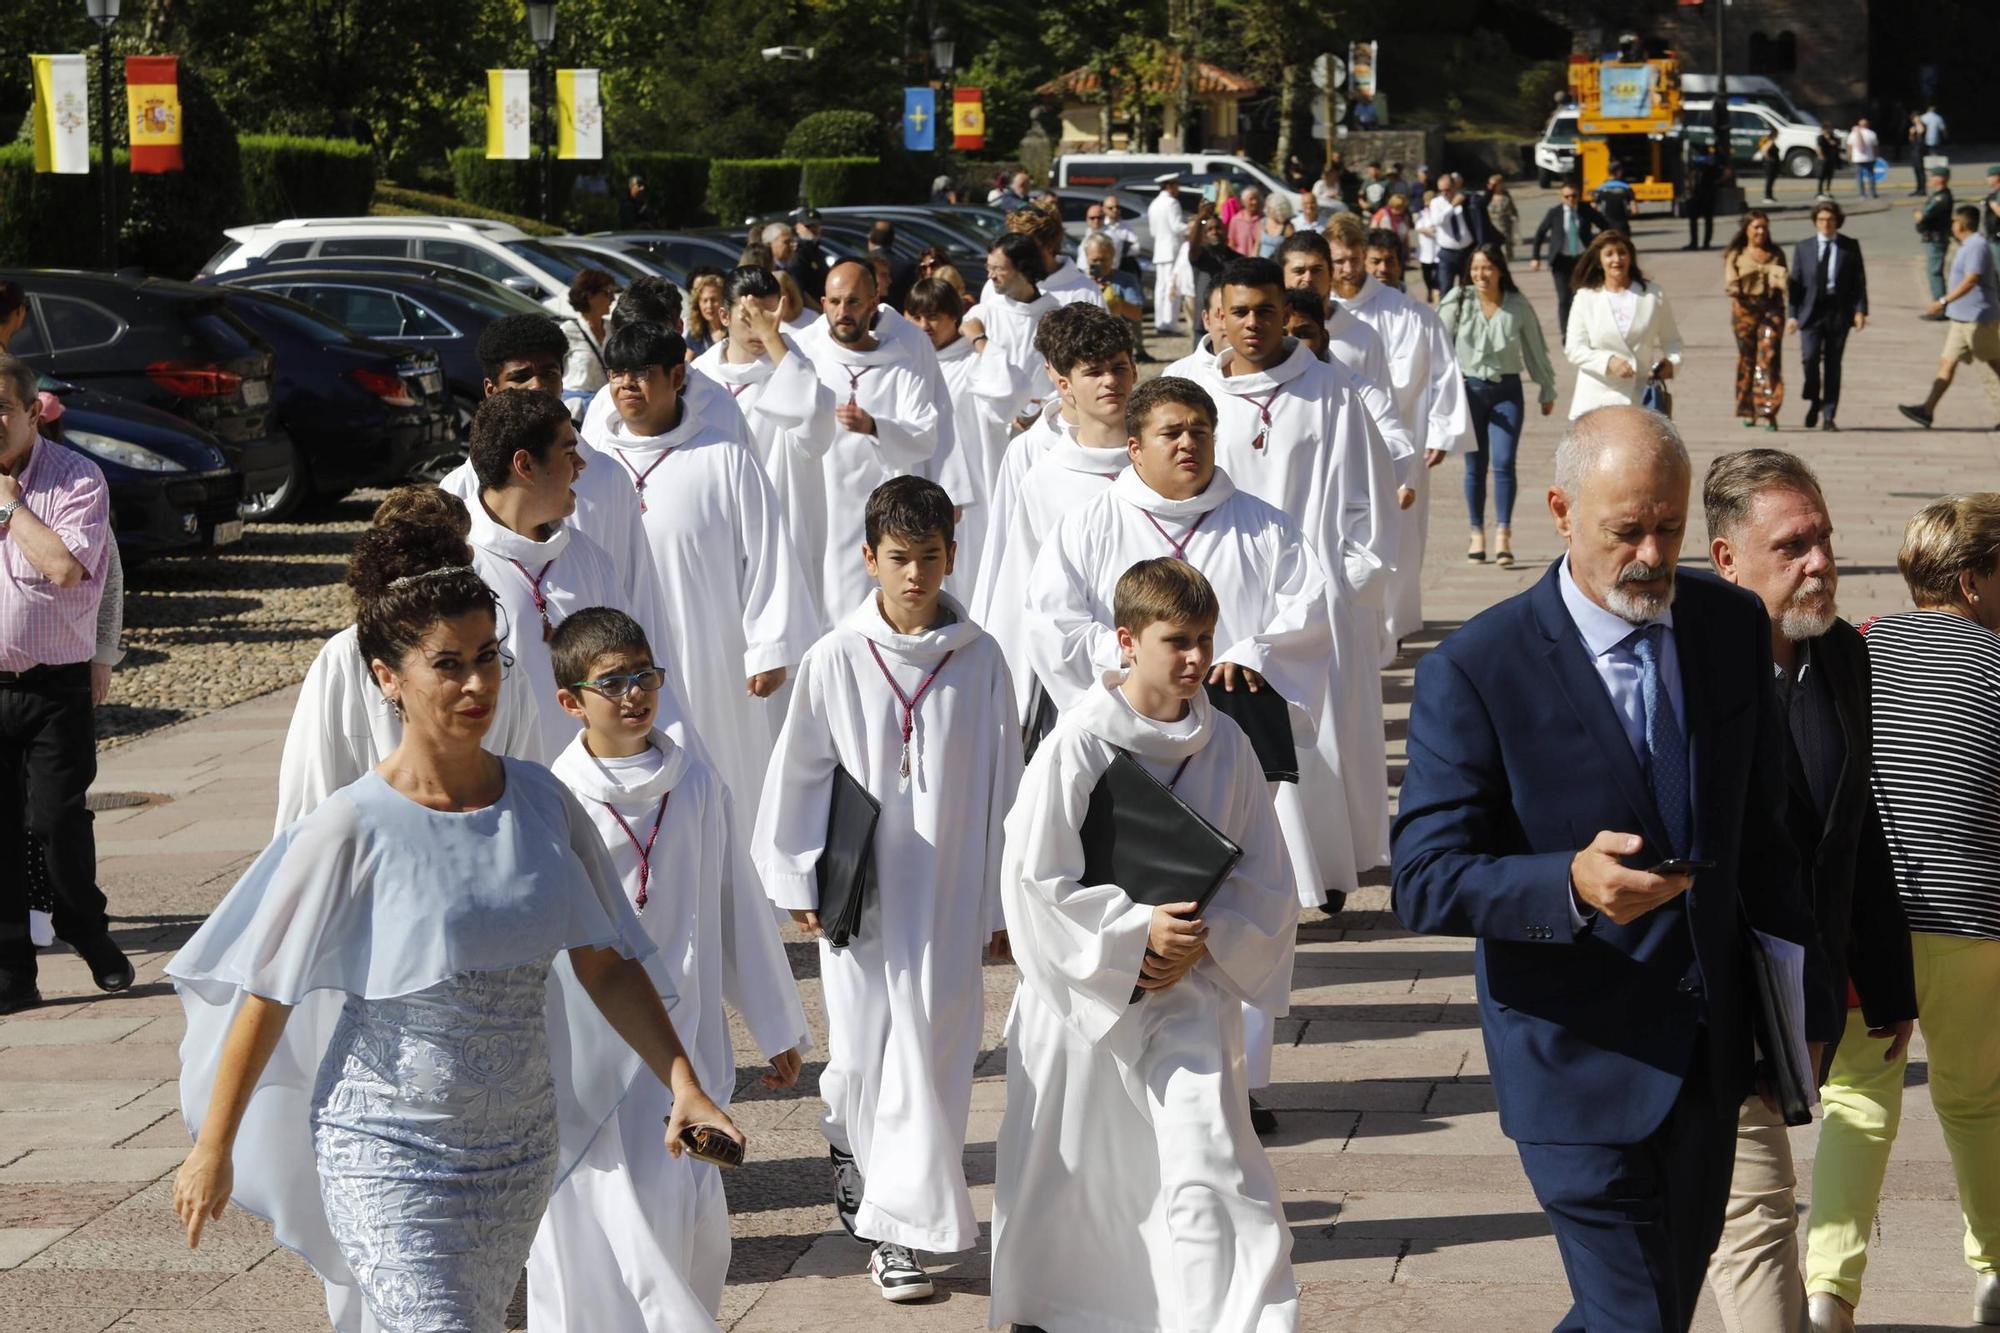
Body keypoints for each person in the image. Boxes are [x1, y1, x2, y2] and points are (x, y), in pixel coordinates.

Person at [167, 520, 742, 1333]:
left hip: (513, 1150)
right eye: (448, 664)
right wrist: (212, 1146)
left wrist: (682, 1080)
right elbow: (268, 991)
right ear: (387, 677)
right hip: (385, 1146)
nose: (476, 684)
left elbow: (606, 962)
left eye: (487, 659)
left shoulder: (546, 803)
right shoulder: (349, 828)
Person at [1391, 405, 1824, 1333]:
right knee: (1634, 1319)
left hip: (1709, 1058)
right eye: (1627, 528)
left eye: (1669, 526)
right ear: (1560, 509)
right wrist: (1568, 886)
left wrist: (1804, 1011)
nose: (1653, 552)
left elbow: (1767, 831)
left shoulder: (1730, 625)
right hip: (1574, 1062)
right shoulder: (1477, 667)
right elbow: (1424, 876)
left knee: (1648, 1311)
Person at [990, 556, 1301, 1333]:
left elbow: (1265, 875)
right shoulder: (1079, 744)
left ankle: (1241, 1319)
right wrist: (1135, 934)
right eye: (1177, 641)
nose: (1197, 659)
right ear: (1127, 641)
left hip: (1190, 991)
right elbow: (1034, 878)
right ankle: (1065, 1310)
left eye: (1205, 638)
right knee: (1078, 1177)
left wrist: (1203, 937)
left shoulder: (1225, 742)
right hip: (1084, 996)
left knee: (1215, 1161)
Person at [1022, 375, 1333, 1120]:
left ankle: (1237, 1075)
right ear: (1134, 445)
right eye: (1172, 431)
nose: (1189, 443)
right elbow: (1049, 623)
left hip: (1229, 738)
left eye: (1200, 428)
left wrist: (1250, 653)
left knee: (1237, 895)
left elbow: (1308, 609)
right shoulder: (1091, 523)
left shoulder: (1262, 525)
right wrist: (1133, 667)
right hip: (1127, 748)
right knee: (1138, 899)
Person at [755, 476, 1019, 1303]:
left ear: (952, 554)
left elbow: (1007, 781)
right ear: (869, 558)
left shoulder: (981, 658)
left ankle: (895, 1232)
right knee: (869, 1049)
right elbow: (802, 766)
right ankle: (861, 1158)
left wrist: (1009, 901)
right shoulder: (837, 656)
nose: (915, 576)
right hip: (864, 894)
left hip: (948, 893)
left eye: (930, 558)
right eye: (899, 559)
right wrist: (800, 870)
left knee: (938, 1048)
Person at [531, 607, 806, 1328]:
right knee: (599, 1223)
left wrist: (773, 1019)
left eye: (644, 675)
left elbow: (734, 898)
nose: (633, 693)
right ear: (570, 701)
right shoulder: (554, 798)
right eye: (611, 681)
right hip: (592, 1049)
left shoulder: (696, 783)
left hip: (685, 1031)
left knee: (688, 1227)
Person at [1697, 450, 1918, 1333]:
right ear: (1725, 561)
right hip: (1713, 1004)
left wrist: (1886, 979)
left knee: (1696, 1244)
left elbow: (1854, 833)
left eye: (1822, 538)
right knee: (1749, 1222)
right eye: (1791, 546)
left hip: (1806, 1001)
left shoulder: (1843, 661)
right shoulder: (1689, 668)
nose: (1819, 562)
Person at [1803, 494, 2000, 1333]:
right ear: (1971, 581)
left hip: (1867, 919)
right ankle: (1993, 1273)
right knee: (1977, 1099)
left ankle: (1827, 1288)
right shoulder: (1996, 664)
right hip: (1973, 919)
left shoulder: (1865, 649)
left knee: (1857, 1095)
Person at [1189, 257, 1402, 914]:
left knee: (1316, 740)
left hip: (1312, 594)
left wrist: (1347, 584)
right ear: (1217, 314)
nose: (1253, 324)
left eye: (1267, 310)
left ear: (1289, 313)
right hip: (1215, 590)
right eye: (1240, 310)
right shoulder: (1193, 391)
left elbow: (1370, 502)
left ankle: (1324, 871)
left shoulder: (1333, 392)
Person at [597, 319, 819, 854]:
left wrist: (770, 646)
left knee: (724, 764)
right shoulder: (592, 460)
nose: (627, 385)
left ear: (677, 376)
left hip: (711, 649)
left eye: (643, 373)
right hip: (619, 650)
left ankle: (734, 881)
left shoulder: (724, 455)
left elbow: (769, 551)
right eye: (618, 373)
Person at [274, 487, 544, 831]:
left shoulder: (502, 665)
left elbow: (526, 780)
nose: (474, 681)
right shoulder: (345, 656)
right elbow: (312, 783)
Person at [0, 354, 130, 1014]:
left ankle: (87, 929)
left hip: (54, 685)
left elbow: (66, 568)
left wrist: (7, 503)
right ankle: (13, 972)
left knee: (55, 822)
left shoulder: (77, 478)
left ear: (30, 411)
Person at [463, 389, 672, 761]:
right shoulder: (461, 563)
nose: (581, 466)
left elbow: (627, 670)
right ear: (524, 464)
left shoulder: (589, 558)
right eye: (567, 452)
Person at [973, 306, 1139, 722]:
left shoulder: (1159, 456)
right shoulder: (1039, 470)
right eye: (1094, 371)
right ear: (1062, 382)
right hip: (1071, 671)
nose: (1109, 382)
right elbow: (1013, 577)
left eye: (1118, 368)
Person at [796, 260, 940, 618]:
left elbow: (925, 434)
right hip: (820, 505)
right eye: (834, 302)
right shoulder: (805, 357)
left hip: (880, 508)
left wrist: (876, 426)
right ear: (823, 302)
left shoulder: (900, 363)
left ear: (874, 302)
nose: (842, 311)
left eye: (854, 302)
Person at [693, 266, 836, 623]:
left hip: (784, 521)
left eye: (769, 317)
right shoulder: (699, 378)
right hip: (717, 527)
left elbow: (816, 432)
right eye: (749, 318)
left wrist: (774, 340)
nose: (760, 328)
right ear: (724, 316)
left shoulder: (794, 367)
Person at [1438, 244, 1558, 568]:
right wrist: (1438, 395)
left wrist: (1546, 387)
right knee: (1474, 465)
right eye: (1476, 268)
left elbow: (1535, 348)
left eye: (1487, 268)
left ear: (1500, 270)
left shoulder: (1517, 305)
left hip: (1507, 392)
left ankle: (1503, 533)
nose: (1481, 274)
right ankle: (1476, 531)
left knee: (1504, 462)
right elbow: (1436, 345)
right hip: (1469, 392)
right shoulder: (1458, 300)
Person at [906, 278, 1008, 597]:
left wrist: (979, 340)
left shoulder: (973, 362)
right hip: (918, 479)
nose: (925, 325)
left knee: (970, 570)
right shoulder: (904, 362)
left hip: (972, 487)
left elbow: (1007, 390)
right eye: (917, 316)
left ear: (955, 317)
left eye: (934, 316)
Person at [1898, 204, 2000, 429]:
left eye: (1954, 222)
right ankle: (1927, 410)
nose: (1952, 226)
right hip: (1962, 319)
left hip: (1978, 319)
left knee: (1996, 365)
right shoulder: (1968, 244)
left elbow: (1972, 279)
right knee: (1947, 362)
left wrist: (1943, 301)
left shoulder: (1976, 246)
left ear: (1961, 225)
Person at [1564, 230, 1683, 418]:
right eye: (1609, 254)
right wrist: (1608, 361)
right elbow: (1574, 348)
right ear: (1599, 261)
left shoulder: (1653, 295)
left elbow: (1672, 340)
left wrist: (1672, 363)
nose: (1616, 259)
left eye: (1622, 252)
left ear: (1631, 257)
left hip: (1639, 398)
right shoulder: (1585, 297)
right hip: (1595, 399)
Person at [1788, 200, 1869, 433]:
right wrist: (1792, 315)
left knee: (1833, 365)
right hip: (1810, 312)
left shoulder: (1849, 246)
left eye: (1831, 220)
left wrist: (1860, 310)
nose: (1826, 224)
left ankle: (1829, 414)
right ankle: (1814, 398)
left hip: (1838, 312)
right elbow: (1796, 284)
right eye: (1822, 220)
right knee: (1809, 359)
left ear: (1838, 222)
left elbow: (1859, 280)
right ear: (1815, 221)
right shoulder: (1803, 247)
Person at [1723, 211, 1789, 430]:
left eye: (1764, 227)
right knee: (1747, 358)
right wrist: (1734, 287)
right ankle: (1748, 408)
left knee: (1768, 358)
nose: (1761, 231)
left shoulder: (1776, 252)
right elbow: (1730, 280)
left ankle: (1768, 411)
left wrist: (1783, 283)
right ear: (1747, 230)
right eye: (1756, 227)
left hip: (1771, 310)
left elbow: (1786, 280)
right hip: (1744, 311)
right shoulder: (1737, 254)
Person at [1531, 181, 1612, 338]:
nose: (1571, 199)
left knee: (1583, 297)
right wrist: (1535, 257)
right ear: (1561, 197)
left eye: (1574, 196)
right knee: (1564, 299)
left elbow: (1605, 226)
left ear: (1579, 196)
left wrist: (1601, 247)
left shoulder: (1586, 210)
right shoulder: (1554, 213)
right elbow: (1540, 233)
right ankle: (1566, 334)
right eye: (1567, 196)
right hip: (1561, 262)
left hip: (1582, 261)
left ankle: (1585, 332)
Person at [563, 267, 615, 399]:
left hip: (605, 402)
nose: (613, 298)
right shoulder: (568, 331)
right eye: (607, 293)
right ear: (589, 295)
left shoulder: (613, 330)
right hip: (576, 407)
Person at [1149, 173, 1188, 336]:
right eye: (1176, 185)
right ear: (1170, 186)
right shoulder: (1172, 203)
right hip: (1172, 249)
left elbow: (1153, 231)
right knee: (1172, 286)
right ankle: (1169, 324)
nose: (1178, 188)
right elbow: (1177, 226)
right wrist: (1193, 226)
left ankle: (1160, 322)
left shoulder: (1154, 203)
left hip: (1160, 249)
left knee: (1161, 288)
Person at [1915, 168, 1955, 310]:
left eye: (1933, 177)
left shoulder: (1941, 197)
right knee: (1933, 272)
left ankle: (1940, 306)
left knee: (1934, 273)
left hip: (1936, 239)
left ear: (1940, 178)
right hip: (1933, 237)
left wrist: (1919, 216)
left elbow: (1923, 215)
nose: (1930, 179)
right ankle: (1939, 304)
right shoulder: (1938, 195)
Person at [787, 207, 830, 303]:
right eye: (808, 226)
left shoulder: (818, 251)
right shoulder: (797, 254)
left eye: (816, 225)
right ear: (798, 227)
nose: (813, 230)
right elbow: (800, 290)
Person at [1683, 140, 1720, 252]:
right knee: (1708, 219)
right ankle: (1706, 243)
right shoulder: (1713, 162)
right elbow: (1724, 174)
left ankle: (1694, 243)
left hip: (1696, 193)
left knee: (1693, 219)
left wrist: (1688, 188)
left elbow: (1690, 176)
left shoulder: (1695, 162)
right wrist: (1716, 183)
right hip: (1710, 193)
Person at [682, 272, 726, 358]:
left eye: (713, 300)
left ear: (724, 300)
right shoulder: (695, 333)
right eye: (705, 300)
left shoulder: (734, 331)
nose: (709, 306)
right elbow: (686, 364)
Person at [1284, 288, 1331, 359]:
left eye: (1302, 335)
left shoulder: (1339, 370)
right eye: (1280, 336)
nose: (1290, 342)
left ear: (1324, 340)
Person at [1227, 186, 1266, 262]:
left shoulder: (1264, 219)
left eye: (1257, 199)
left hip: (1260, 262)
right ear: (1243, 202)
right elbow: (1231, 243)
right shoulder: (1236, 220)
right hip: (1241, 261)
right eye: (1251, 199)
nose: (1255, 202)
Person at [1486, 174, 1520, 260]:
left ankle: (1508, 257)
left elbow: (1512, 207)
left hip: (1506, 223)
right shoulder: (1488, 196)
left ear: (1500, 185)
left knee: (1507, 241)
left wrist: (1515, 216)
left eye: (1495, 184)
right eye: (1490, 184)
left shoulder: (1506, 195)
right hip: (1493, 223)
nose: (1492, 186)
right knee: (1495, 243)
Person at [1845, 118, 1880, 199]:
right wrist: (1876, 156)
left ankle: (1862, 194)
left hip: (1857, 158)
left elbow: (1849, 146)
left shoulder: (1853, 134)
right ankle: (1873, 193)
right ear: (1867, 125)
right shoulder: (1872, 134)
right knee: (1871, 176)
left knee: (1859, 177)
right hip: (1869, 158)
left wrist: (1849, 156)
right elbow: (1875, 147)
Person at [1815, 125, 1841, 197]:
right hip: (1823, 159)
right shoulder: (1820, 138)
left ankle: (1827, 191)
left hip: (1831, 159)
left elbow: (1835, 144)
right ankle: (1819, 192)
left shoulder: (1834, 138)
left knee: (1829, 176)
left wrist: (1828, 139)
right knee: (1821, 176)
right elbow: (1818, 147)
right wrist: (1820, 156)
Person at [1983, 164, 2000, 245]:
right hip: (1993, 236)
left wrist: (1995, 206)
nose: (1987, 179)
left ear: (1997, 177)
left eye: (1990, 176)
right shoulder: (1995, 194)